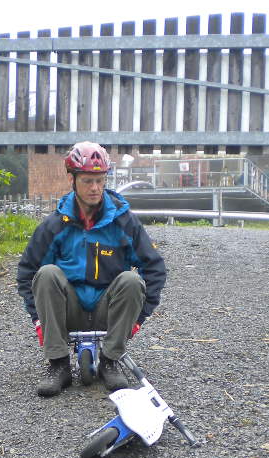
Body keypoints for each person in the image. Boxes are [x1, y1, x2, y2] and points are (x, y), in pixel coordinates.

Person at [17, 141, 167, 397]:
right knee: (46, 274)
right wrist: (38, 319)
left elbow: (154, 268)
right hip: (68, 310)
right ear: (72, 180)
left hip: (107, 311)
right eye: (87, 181)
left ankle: (110, 360)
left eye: (100, 180)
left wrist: (139, 318)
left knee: (132, 280)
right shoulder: (55, 225)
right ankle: (58, 364)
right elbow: (27, 273)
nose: (95, 188)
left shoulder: (124, 221)